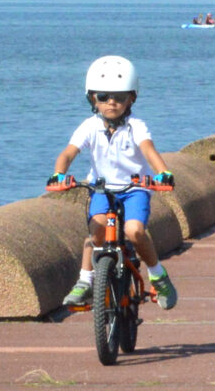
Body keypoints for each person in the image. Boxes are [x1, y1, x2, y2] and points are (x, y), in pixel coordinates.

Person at [47, 54, 179, 311]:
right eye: (103, 96)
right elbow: (68, 153)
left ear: (132, 98)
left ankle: (158, 275)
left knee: (134, 231)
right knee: (95, 231)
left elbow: (149, 150)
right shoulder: (89, 126)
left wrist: (163, 172)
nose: (111, 103)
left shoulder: (136, 126)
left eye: (119, 97)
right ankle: (85, 282)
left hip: (134, 189)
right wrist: (60, 174)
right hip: (102, 189)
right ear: (92, 99)